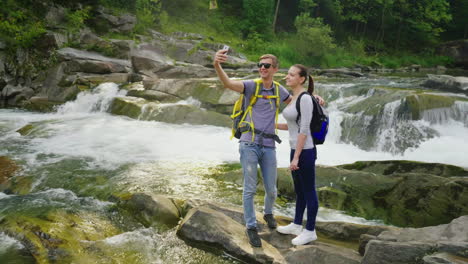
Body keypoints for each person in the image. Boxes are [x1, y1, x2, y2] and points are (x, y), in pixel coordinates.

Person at [213, 49, 291, 247]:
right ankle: (251, 227)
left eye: (266, 65)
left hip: (269, 145)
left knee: (272, 189)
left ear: (275, 69)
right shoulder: (250, 86)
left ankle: (268, 213)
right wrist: (217, 65)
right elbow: (228, 84)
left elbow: (296, 102)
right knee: (249, 188)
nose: (262, 68)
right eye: (260, 65)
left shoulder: (279, 90)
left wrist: (314, 98)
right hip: (249, 143)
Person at [275, 64, 320, 246]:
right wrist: (273, 125)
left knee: (309, 191)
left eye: (291, 75)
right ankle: (296, 224)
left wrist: (296, 157)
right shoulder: (294, 98)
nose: (287, 77)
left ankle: (310, 230)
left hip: (306, 150)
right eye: (287, 74)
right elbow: (293, 126)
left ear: (301, 79)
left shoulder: (306, 99)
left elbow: (304, 129)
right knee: (299, 190)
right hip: (296, 148)